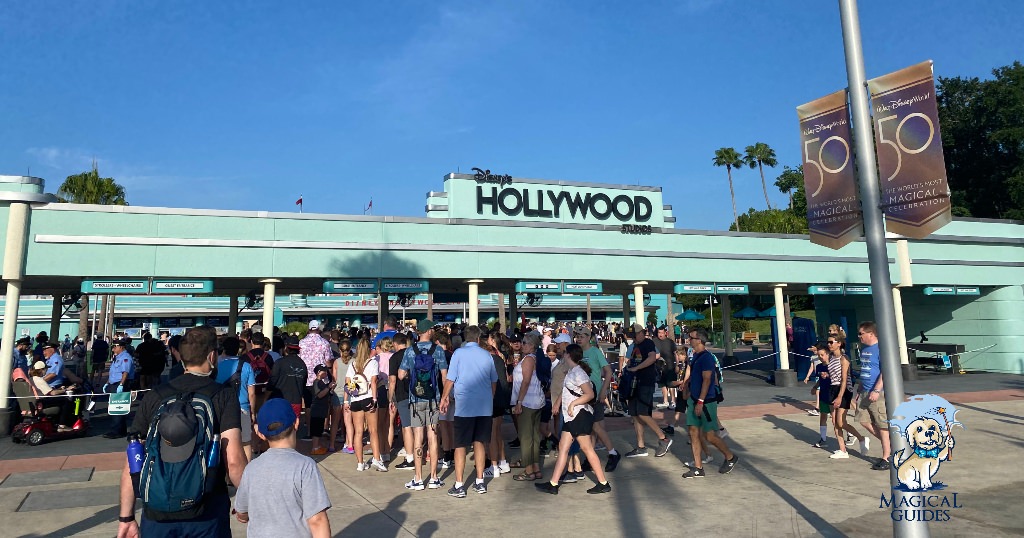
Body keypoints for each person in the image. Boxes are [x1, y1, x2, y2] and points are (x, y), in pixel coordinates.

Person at [117, 326, 246, 538]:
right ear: (212, 356)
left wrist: (126, 517)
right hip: (207, 511)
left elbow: (133, 459)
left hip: (156, 513)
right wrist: (247, 503)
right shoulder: (223, 396)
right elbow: (233, 461)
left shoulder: (155, 396)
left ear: (180, 356)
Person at [234, 398, 332, 538]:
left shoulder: (251, 468)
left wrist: (243, 517)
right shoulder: (305, 466)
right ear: (296, 423)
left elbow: (242, 510)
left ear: (260, 434)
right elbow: (317, 519)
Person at [535, 344, 612, 495]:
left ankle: (603, 483)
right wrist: (558, 404)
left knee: (587, 449)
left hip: (579, 415)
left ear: (569, 355)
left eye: (564, 353)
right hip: (572, 417)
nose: (562, 355)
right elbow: (567, 391)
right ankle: (553, 483)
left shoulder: (578, 373)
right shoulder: (572, 371)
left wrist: (573, 404)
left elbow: (589, 394)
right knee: (563, 448)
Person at [440, 325, 497, 497]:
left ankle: (459, 484)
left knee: (460, 445)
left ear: (465, 338)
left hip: (465, 407)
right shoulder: (487, 355)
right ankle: (480, 482)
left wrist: (444, 398)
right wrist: (490, 397)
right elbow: (494, 380)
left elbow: (450, 379)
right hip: (484, 407)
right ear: (479, 338)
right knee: (480, 443)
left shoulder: (458, 353)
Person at [398, 320, 449, 490]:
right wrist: (445, 397)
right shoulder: (438, 351)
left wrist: (410, 376)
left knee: (418, 438)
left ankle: (418, 478)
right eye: (432, 328)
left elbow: (400, 374)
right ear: (427, 331)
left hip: (416, 400)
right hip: (433, 399)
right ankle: (434, 478)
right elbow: (444, 375)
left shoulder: (410, 351)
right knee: (433, 437)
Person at [681, 328, 739, 479]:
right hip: (694, 400)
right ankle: (698, 467)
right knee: (693, 432)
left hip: (706, 402)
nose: (689, 339)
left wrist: (701, 401)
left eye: (691, 337)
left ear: (699, 340)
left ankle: (730, 457)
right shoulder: (695, 357)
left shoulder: (706, 358)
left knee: (710, 435)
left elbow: (707, 379)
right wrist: (686, 385)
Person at [575, 326, 620, 472]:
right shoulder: (577, 352)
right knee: (592, 429)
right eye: (577, 336)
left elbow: (608, 371)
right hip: (583, 395)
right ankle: (590, 458)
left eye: (582, 336)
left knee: (596, 427)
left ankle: (612, 453)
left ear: (589, 337)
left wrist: (603, 390)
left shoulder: (595, 352)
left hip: (594, 394)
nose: (579, 338)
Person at [623, 325, 672, 458]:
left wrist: (637, 368)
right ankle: (640, 446)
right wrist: (629, 366)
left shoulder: (648, 343)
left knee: (643, 413)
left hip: (645, 383)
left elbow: (652, 358)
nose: (633, 337)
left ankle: (663, 438)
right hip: (634, 382)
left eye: (634, 334)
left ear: (641, 333)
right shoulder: (634, 346)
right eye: (631, 335)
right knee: (634, 414)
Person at [344, 338, 387, 472]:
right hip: (368, 398)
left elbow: (348, 383)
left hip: (355, 399)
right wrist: (375, 399)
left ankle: (360, 463)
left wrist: (346, 401)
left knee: (358, 432)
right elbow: (373, 382)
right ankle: (377, 459)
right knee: (373, 431)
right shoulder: (373, 363)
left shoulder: (352, 364)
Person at [214, 336, 257, 462]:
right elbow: (252, 393)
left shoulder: (217, 366)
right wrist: (253, 412)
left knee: (225, 444)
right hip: (242, 407)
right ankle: (246, 472)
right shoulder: (247, 366)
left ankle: (228, 477)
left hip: (223, 410)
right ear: (238, 349)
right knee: (246, 443)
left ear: (224, 349)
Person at [855, 321, 891, 470]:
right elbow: (865, 370)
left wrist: (876, 390)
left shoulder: (880, 349)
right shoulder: (864, 350)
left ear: (870, 333)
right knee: (862, 419)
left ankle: (887, 457)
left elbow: (885, 371)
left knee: (882, 424)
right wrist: (859, 390)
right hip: (864, 391)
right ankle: (892, 445)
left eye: (861, 333)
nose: (859, 337)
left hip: (877, 392)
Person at [510, 332, 545, 482]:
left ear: (531, 345)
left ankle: (529, 469)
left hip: (528, 402)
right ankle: (535, 467)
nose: (521, 344)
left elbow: (526, 381)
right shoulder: (532, 358)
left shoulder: (529, 359)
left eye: (524, 342)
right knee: (534, 436)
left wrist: (519, 402)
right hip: (536, 400)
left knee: (526, 437)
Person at [825, 336, 866, 459]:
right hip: (833, 388)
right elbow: (834, 374)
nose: (829, 344)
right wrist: (826, 374)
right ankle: (842, 450)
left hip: (843, 390)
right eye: (828, 342)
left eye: (831, 342)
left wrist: (839, 396)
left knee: (841, 421)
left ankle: (861, 438)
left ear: (839, 344)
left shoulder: (844, 359)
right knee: (834, 421)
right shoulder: (831, 357)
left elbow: (844, 379)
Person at [299, 320, 333, 440]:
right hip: (321, 379)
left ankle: (309, 432)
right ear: (319, 329)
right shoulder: (324, 343)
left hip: (307, 379)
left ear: (309, 329)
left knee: (308, 405)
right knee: (322, 405)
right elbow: (328, 361)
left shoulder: (301, 343)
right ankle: (323, 429)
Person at [27, 361, 78, 430]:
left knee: (60, 399)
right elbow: (52, 393)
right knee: (66, 401)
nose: (46, 371)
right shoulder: (39, 380)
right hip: (42, 402)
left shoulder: (31, 379)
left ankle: (57, 422)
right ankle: (62, 426)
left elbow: (47, 390)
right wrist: (66, 389)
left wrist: (60, 389)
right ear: (41, 370)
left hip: (38, 401)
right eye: (46, 369)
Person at [102, 339, 137, 439]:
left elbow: (125, 373)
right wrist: (107, 383)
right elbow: (114, 373)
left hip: (121, 383)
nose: (113, 349)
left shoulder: (125, 357)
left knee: (117, 408)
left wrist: (121, 385)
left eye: (115, 347)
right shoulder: (117, 357)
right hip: (114, 383)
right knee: (117, 407)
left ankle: (116, 431)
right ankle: (121, 430)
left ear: (121, 347)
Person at [270, 339, 308, 424]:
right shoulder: (302, 364)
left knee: (279, 426)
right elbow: (303, 384)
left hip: (280, 400)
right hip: (296, 400)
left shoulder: (280, 362)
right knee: (293, 427)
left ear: (286, 348)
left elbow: (272, 380)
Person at [331, 339, 355, 454]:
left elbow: (334, 379)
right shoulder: (354, 362)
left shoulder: (336, 362)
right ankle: (350, 445)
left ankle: (331, 444)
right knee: (348, 421)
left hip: (338, 392)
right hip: (350, 393)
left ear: (340, 350)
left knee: (335, 421)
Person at [810, 344, 833, 449]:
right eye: (819, 355)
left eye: (822, 355)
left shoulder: (833, 365)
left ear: (828, 354)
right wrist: (815, 387)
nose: (820, 357)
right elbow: (820, 379)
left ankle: (850, 434)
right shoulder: (819, 366)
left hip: (833, 394)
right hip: (823, 394)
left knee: (837, 420)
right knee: (823, 416)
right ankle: (823, 439)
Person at [308, 365, 335, 456]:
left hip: (321, 409)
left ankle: (317, 446)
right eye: (324, 371)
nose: (326, 373)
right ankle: (315, 447)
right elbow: (319, 395)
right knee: (316, 429)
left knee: (319, 429)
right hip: (317, 409)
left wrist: (330, 389)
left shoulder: (322, 383)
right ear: (318, 372)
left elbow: (326, 394)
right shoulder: (317, 382)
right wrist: (328, 387)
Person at [653, 326, 677, 410]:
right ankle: (665, 400)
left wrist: (677, 365)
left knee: (670, 384)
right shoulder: (654, 341)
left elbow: (675, 354)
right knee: (662, 384)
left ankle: (673, 401)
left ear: (665, 333)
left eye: (662, 333)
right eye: (659, 333)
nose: (660, 335)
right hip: (659, 367)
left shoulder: (670, 342)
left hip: (670, 366)